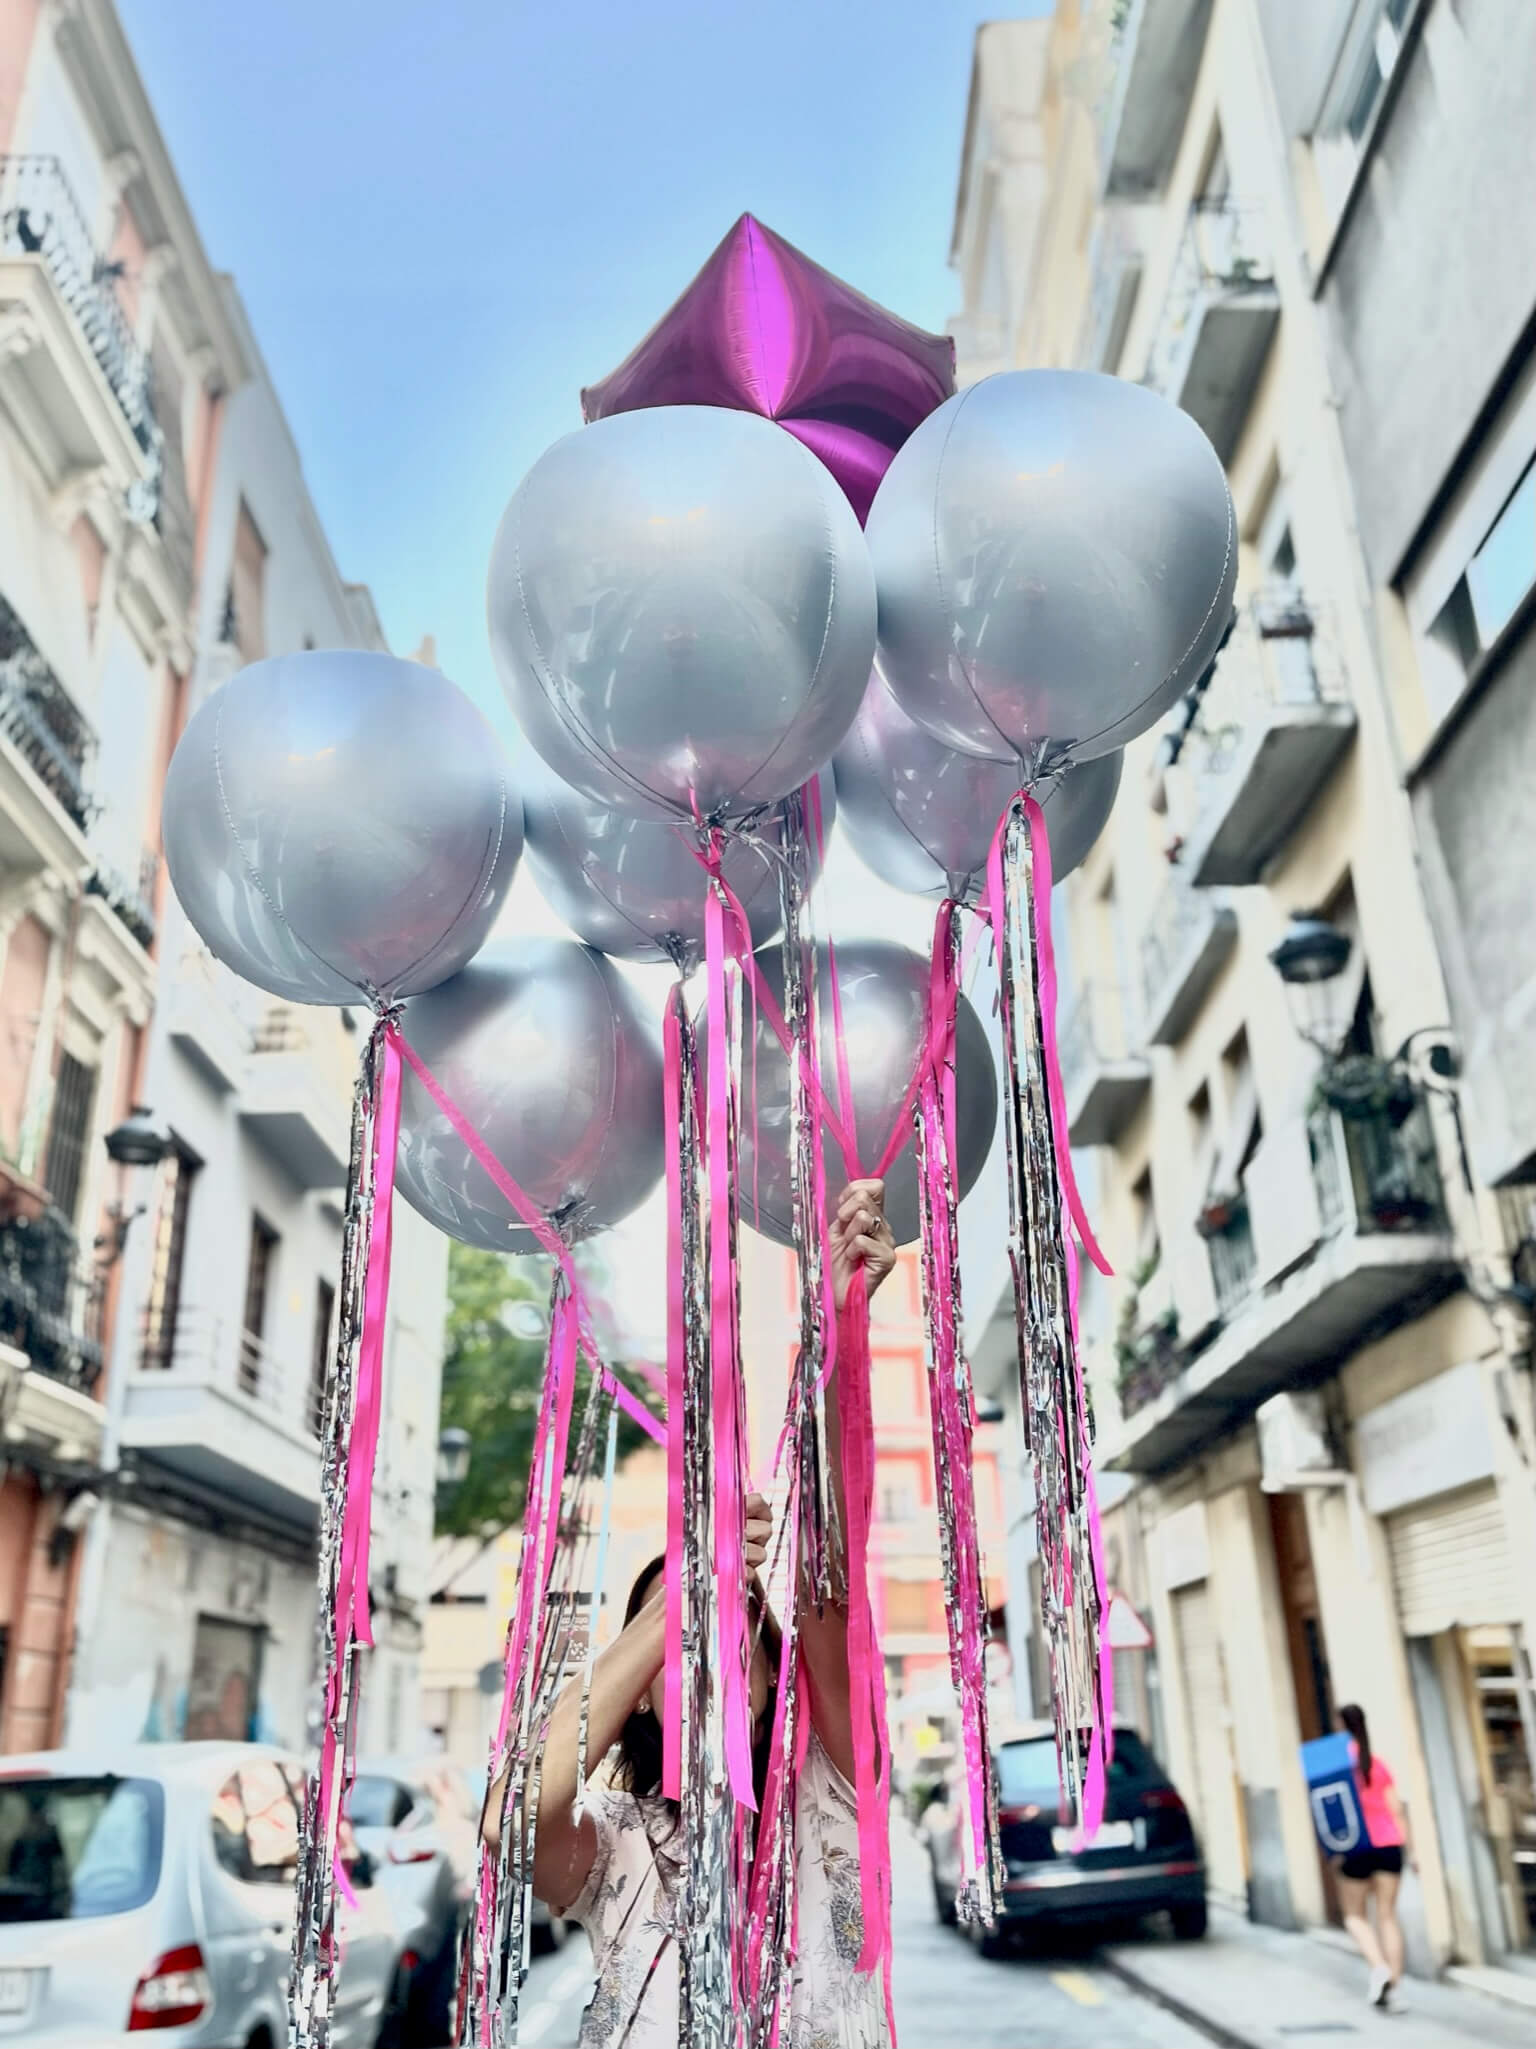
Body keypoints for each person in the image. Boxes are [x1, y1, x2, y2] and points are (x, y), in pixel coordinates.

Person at [485, 1179, 897, 2049]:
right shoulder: (612, 1848)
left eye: (731, 1623)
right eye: (678, 1644)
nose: (709, 1652)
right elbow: (511, 1814)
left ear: (772, 1669)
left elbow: (831, 1575)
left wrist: (832, 1335)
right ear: (637, 1693)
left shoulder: (833, 1787)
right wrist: (680, 1594)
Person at [1335, 1703, 1413, 2009]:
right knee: (1387, 1915)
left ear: (1341, 1726)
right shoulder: (1378, 1764)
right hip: (1389, 1845)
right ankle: (1394, 1988)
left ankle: (1378, 1966)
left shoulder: (1340, 1766)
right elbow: (1396, 1809)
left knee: (1354, 1915)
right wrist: (1412, 1849)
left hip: (1356, 1846)